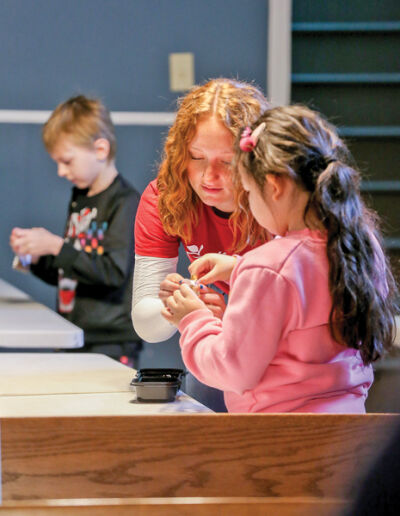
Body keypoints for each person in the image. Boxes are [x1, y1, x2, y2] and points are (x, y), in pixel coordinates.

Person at [161, 104, 398, 413]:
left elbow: (232, 371)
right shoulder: (361, 245)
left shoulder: (268, 268)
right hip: (348, 434)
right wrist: (238, 269)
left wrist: (192, 319)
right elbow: (308, 289)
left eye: (249, 192)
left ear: (273, 187)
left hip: (276, 443)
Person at [132, 78, 270, 410]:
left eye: (227, 161)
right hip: (225, 358)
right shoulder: (167, 196)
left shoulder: (280, 197)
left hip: (289, 366)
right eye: (196, 156)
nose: (209, 178)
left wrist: (237, 302)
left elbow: (310, 299)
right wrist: (180, 308)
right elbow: (147, 324)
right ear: (181, 153)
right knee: (203, 395)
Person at [10, 95, 142, 368]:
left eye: (67, 161)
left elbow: (113, 273)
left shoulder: (125, 201)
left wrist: (57, 246)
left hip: (109, 342)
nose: (60, 171)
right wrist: (38, 259)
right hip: (75, 333)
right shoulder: (80, 199)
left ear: (101, 149)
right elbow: (72, 271)